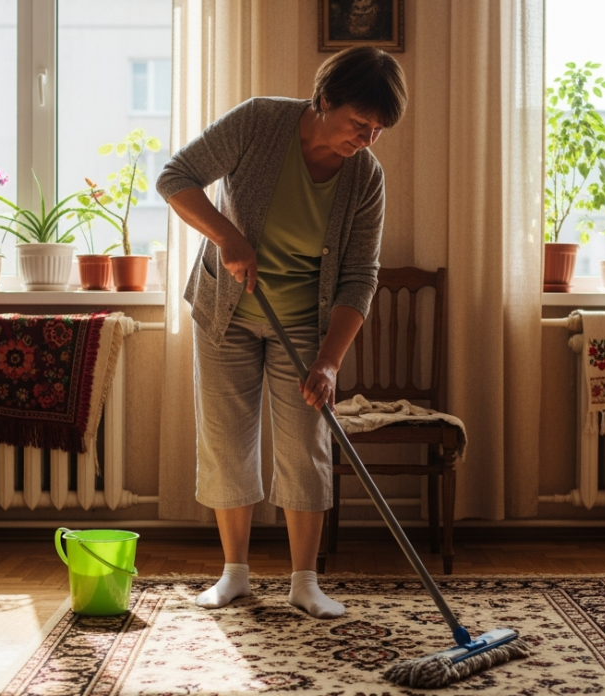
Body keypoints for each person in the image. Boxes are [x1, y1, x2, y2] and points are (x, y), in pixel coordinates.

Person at [156, 47, 407, 619]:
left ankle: (304, 583)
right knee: (227, 440)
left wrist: (329, 362)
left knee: (305, 448)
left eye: (378, 130)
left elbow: (360, 276)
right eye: (359, 123)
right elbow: (175, 178)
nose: (367, 139)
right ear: (324, 101)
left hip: (305, 324)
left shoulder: (366, 176)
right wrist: (227, 236)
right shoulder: (259, 121)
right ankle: (234, 574)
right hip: (227, 312)